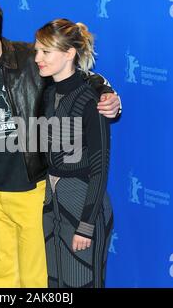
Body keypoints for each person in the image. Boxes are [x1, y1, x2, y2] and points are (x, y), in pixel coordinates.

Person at [0, 0, 120, 288]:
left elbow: (77, 75)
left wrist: (108, 93)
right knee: (2, 276)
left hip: (31, 187)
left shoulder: (30, 58)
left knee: (36, 278)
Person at [35, 19, 113, 288]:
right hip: (51, 205)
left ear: (69, 54)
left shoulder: (92, 100)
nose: (37, 58)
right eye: (37, 51)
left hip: (83, 208)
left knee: (83, 283)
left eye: (45, 52)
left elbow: (100, 167)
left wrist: (87, 225)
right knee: (54, 282)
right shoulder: (46, 94)